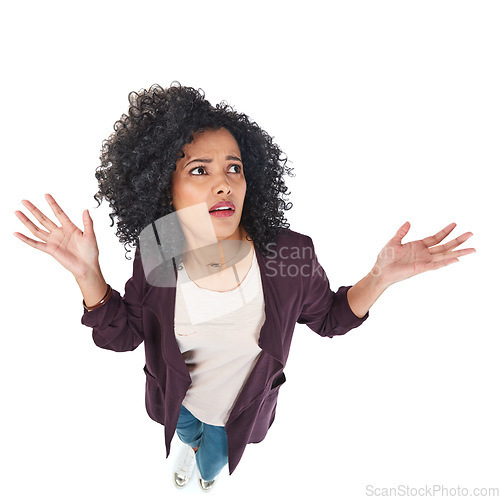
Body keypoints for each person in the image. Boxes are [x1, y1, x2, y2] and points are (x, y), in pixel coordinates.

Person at [13, 82, 476, 492]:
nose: (224, 184)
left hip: (242, 412)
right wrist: (87, 274)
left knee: (214, 461)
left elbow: (331, 318)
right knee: (186, 430)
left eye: (233, 168)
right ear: (164, 188)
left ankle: (204, 472)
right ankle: (183, 452)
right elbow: (124, 334)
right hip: (176, 398)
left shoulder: (286, 253)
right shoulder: (161, 243)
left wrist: (381, 277)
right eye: (199, 170)